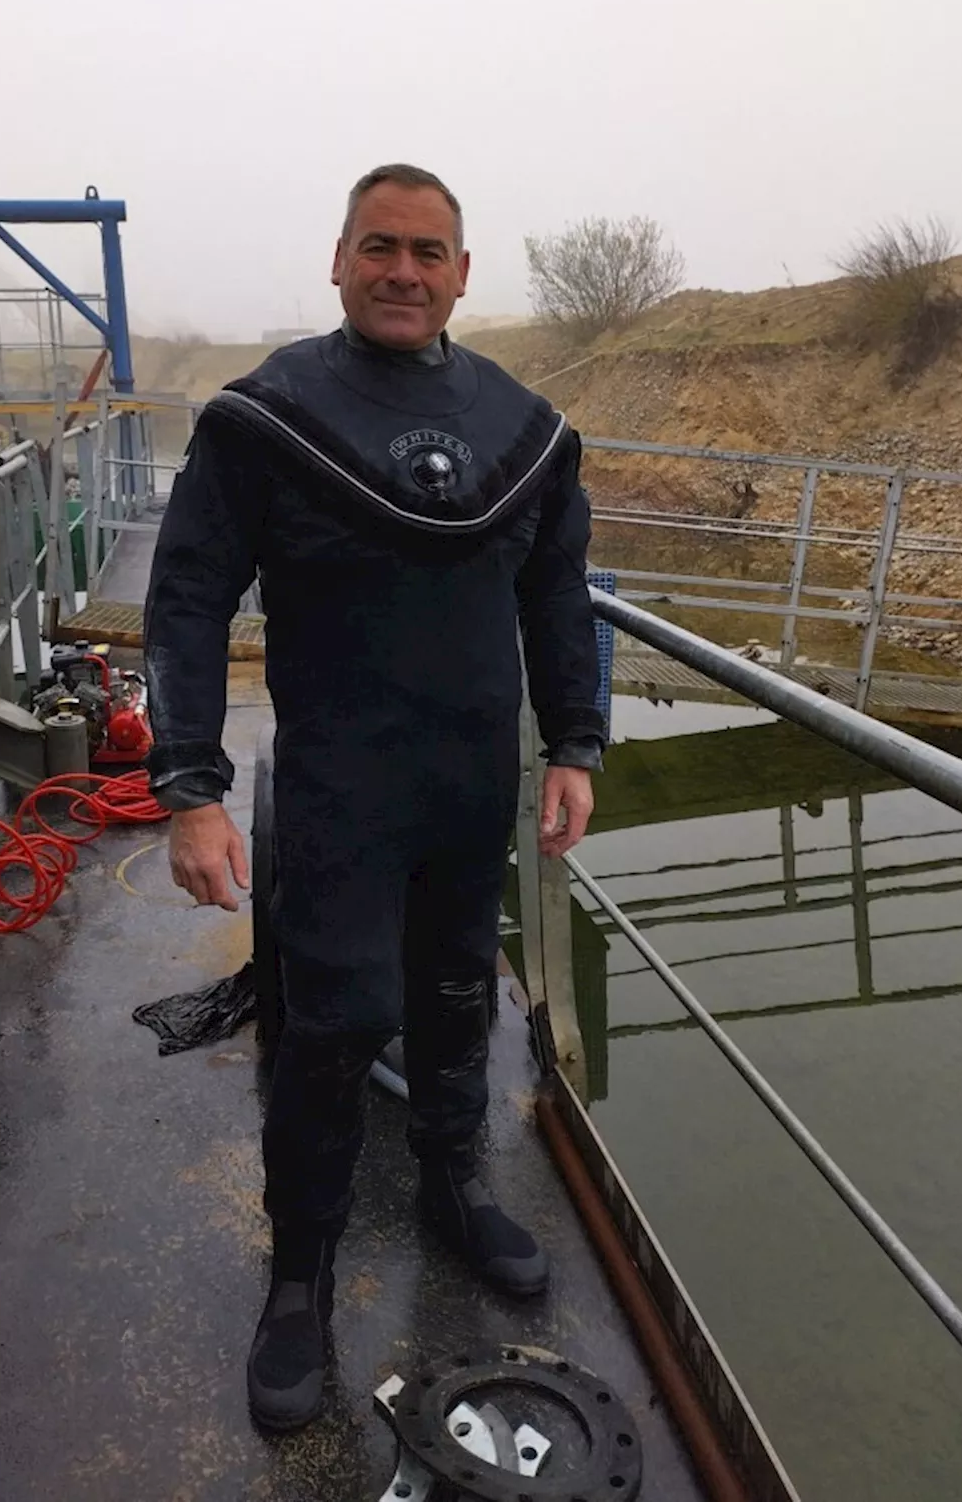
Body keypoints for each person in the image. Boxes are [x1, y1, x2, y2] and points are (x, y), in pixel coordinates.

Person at [143, 163, 604, 1431]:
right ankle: (298, 1274)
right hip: (342, 789)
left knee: (458, 1001)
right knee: (332, 1024)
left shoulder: (525, 431)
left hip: (470, 789)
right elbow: (186, 602)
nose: (403, 270)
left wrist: (574, 743)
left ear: (463, 275)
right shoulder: (267, 416)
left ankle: (456, 1187)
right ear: (338, 261)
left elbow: (558, 596)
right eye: (379, 246)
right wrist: (190, 785)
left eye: (429, 251)